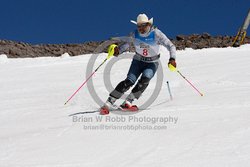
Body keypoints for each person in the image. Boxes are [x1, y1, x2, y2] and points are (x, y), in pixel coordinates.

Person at [100, 13, 177, 115]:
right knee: (129, 81)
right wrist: (118, 51)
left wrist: (172, 58)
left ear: (148, 24)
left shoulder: (157, 34)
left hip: (152, 63)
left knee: (145, 79)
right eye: (138, 26)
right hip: (138, 61)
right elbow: (125, 45)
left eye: (143, 25)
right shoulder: (134, 34)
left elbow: (170, 45)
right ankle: (110, 101)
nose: (140, 28)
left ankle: (128, 101)